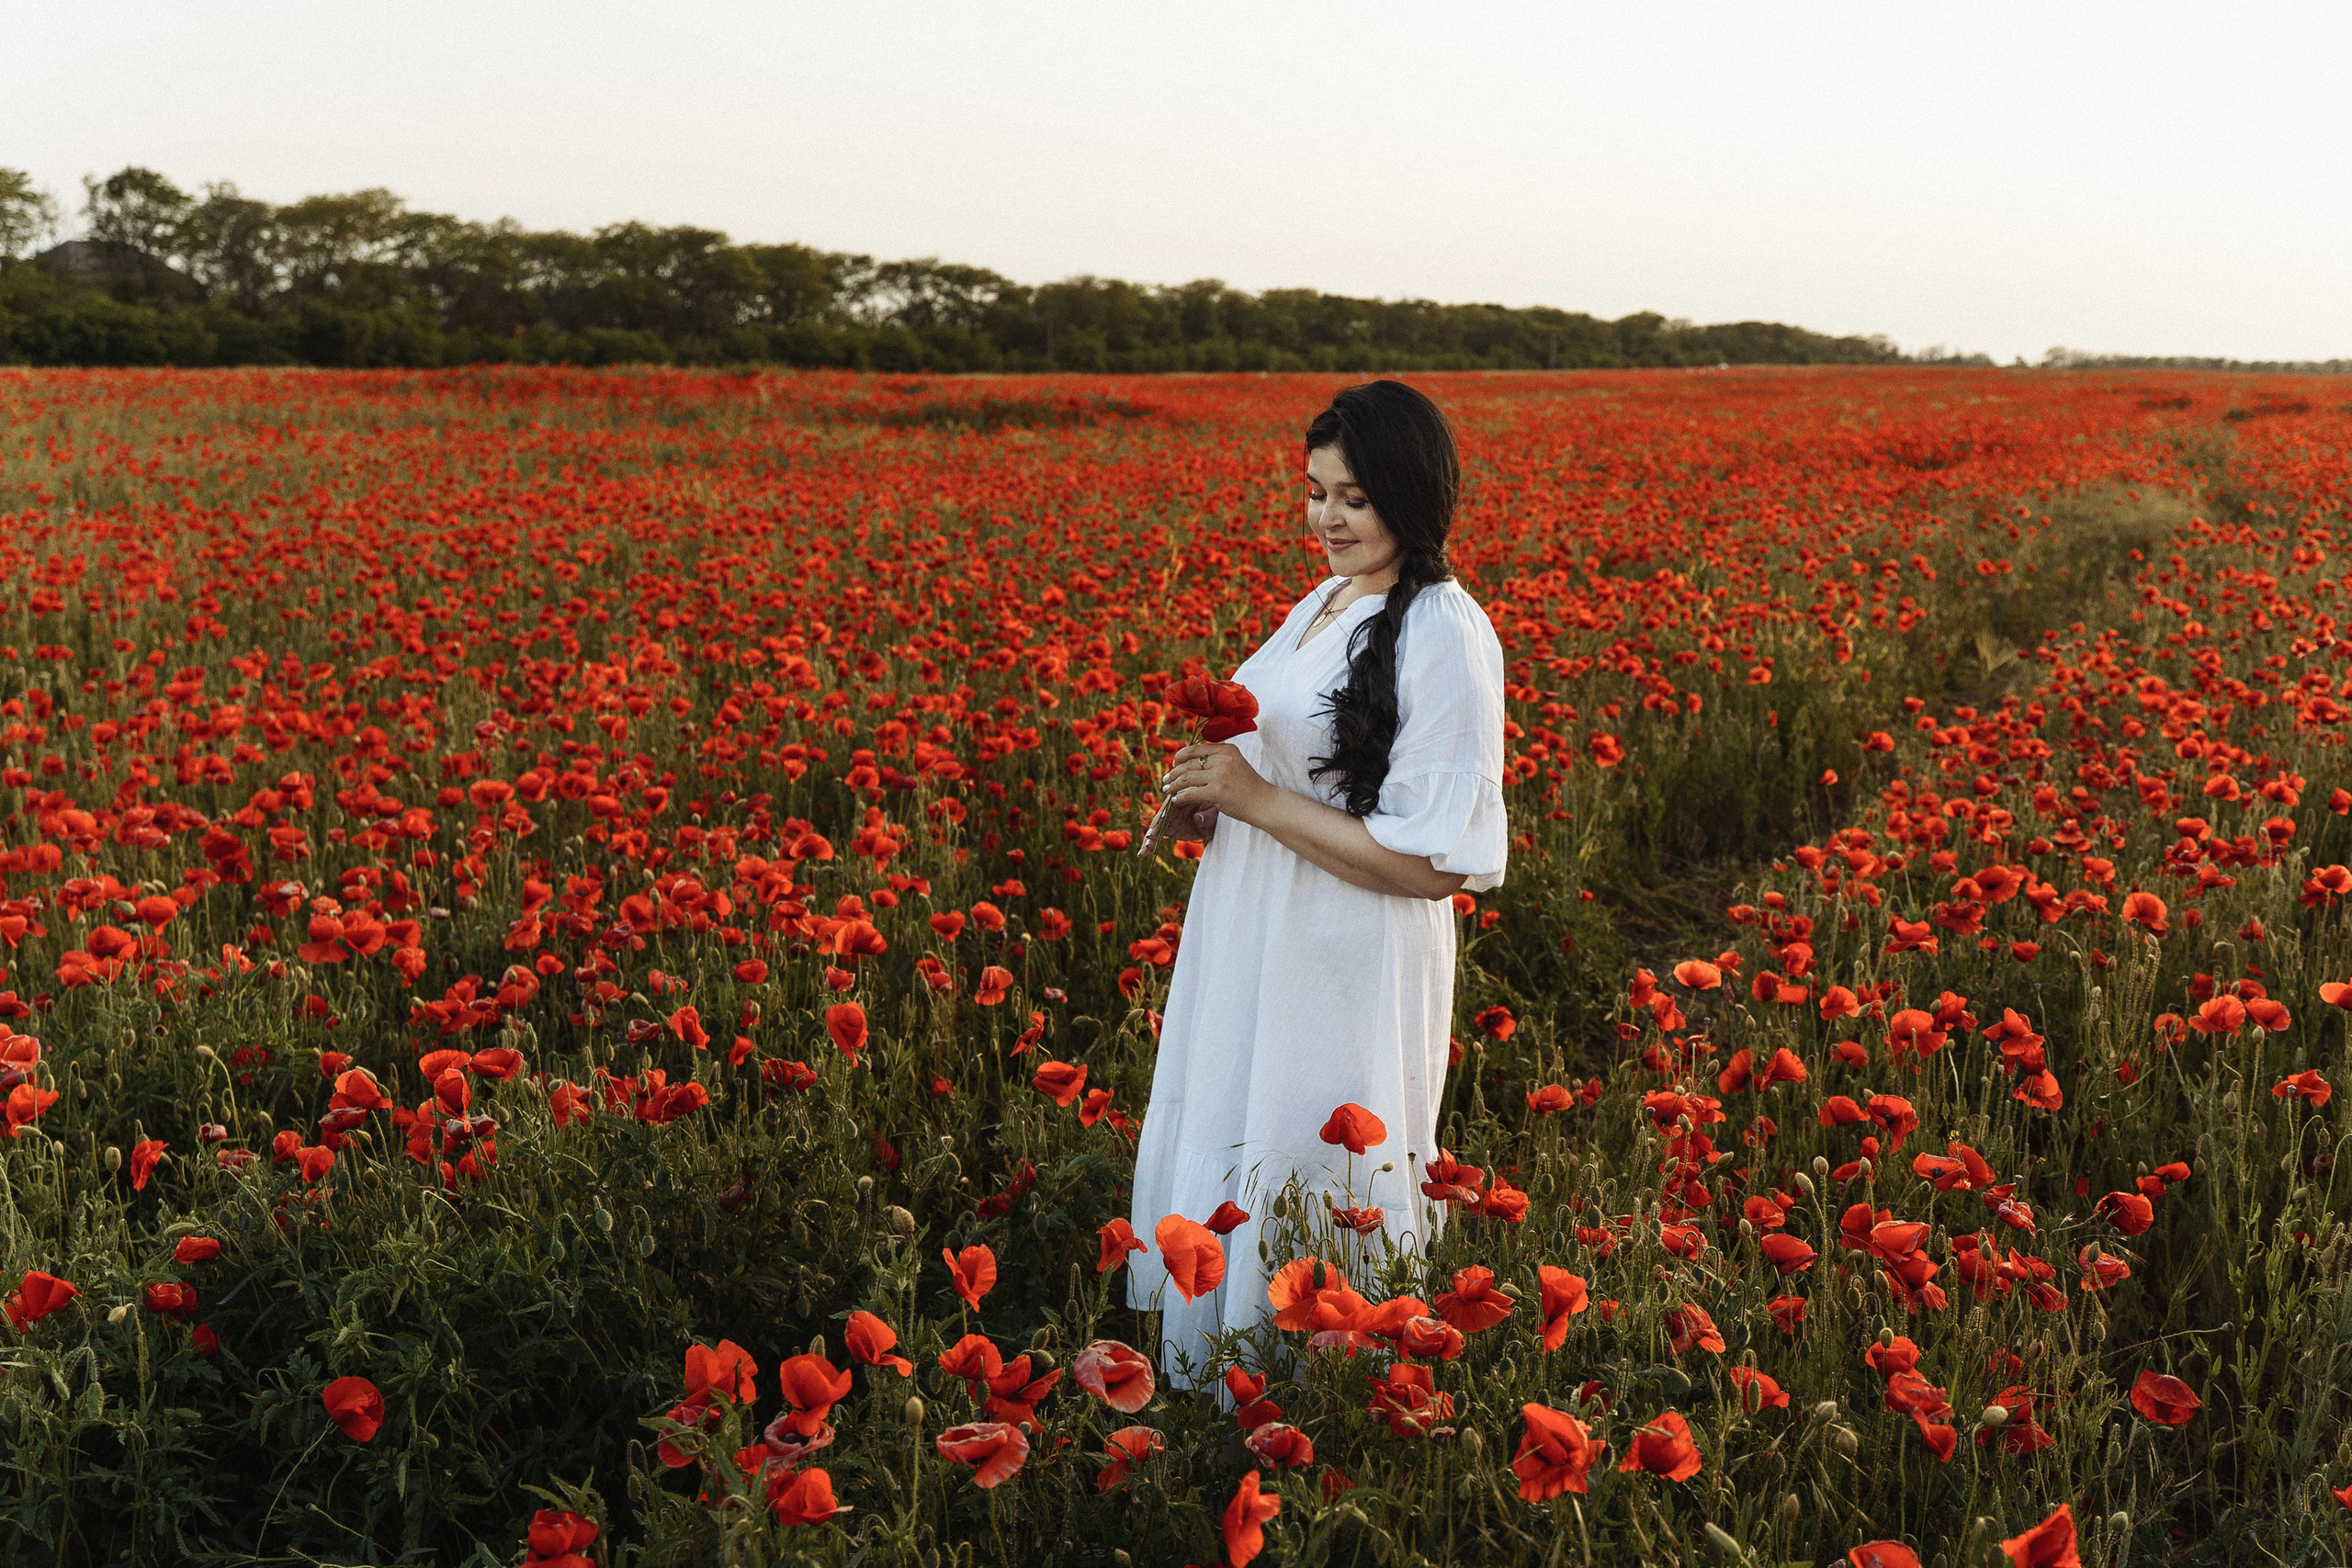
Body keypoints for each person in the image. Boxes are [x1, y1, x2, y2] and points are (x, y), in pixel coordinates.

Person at [1124, 378, 1508, 1389]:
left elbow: (1430, 867)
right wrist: (1213, 799)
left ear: (1408, 497)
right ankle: (1223, 1382)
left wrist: (1256, 802)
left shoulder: (1444, 630)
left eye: (1352, 498)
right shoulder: (1327, 600)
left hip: (1343, 950)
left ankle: (1319, 1402)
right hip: (1257, 927)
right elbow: (1295, 770)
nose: (1326, 519)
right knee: (1244, 1132)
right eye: (1313, 492)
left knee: (1310, 1153)